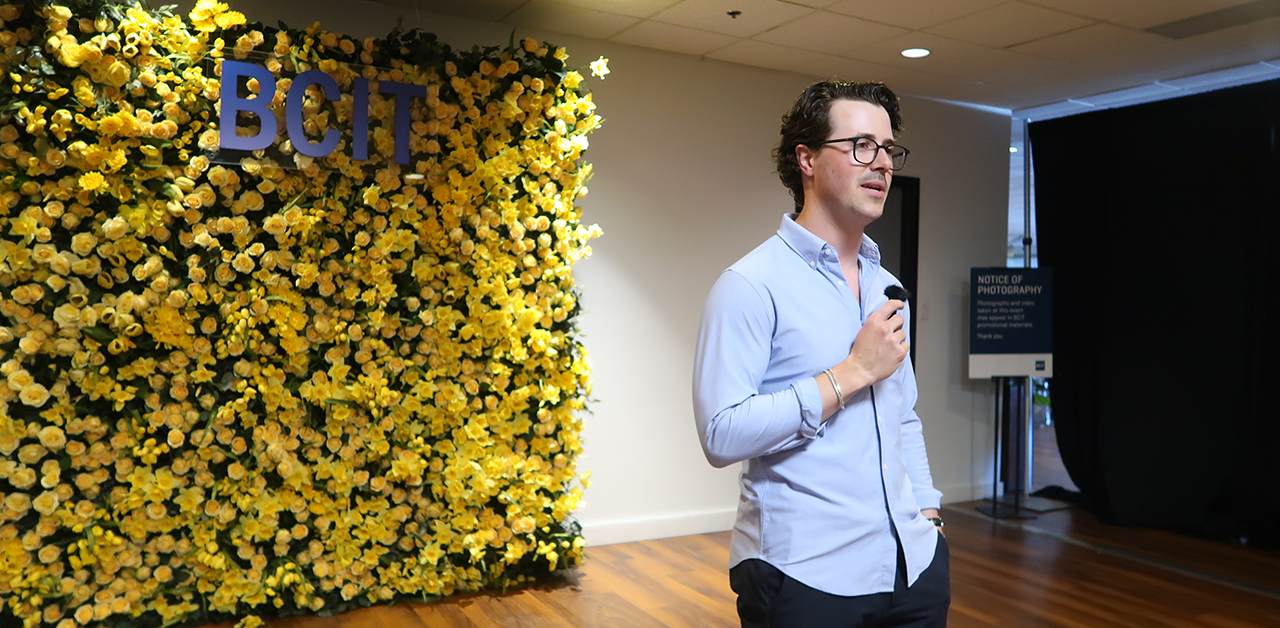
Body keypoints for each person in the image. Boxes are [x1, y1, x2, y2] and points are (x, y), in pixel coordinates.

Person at [692, 80, 949, 628]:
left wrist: (929, 516)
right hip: (804, 578)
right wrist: (851, 373)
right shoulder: (749, 285)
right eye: (860, 145)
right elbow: (721, 432)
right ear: (805, 159)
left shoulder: (889, 286)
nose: (880, 163)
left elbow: (903, 414)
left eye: (887, 148)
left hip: (913, 568)